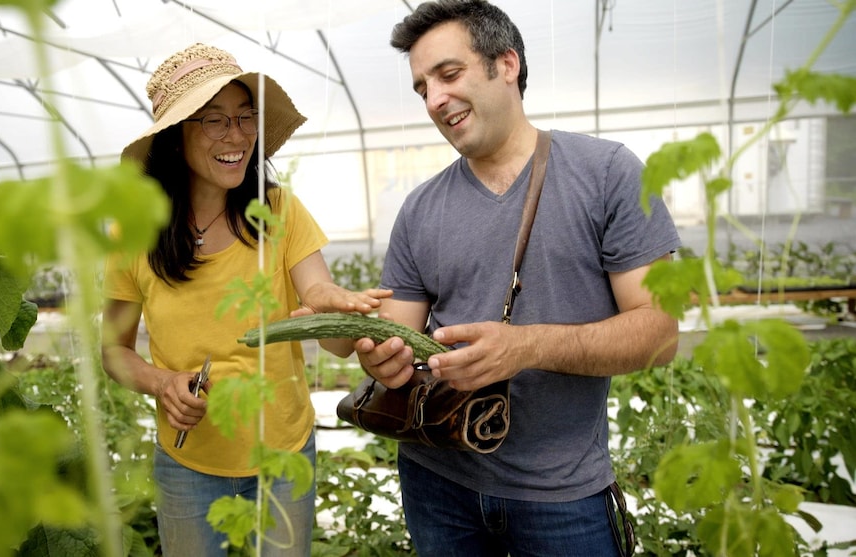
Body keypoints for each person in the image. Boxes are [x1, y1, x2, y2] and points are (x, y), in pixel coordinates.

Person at [353, 1, 681, 556]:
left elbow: (661, 333)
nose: (434, 100)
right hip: (437, 477)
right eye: (421, 88)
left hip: (561, 494)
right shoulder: (420, 208)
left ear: (506, 65)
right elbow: (397, 340)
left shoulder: (607, 175)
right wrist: (378, 357)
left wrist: (525, 346)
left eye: (449, 75)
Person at [101, 43, 389, 557]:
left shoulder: (278, 209)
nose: (236, 136)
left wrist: (328, 305)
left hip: (282, 454)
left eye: (244, 117)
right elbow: (114, 353)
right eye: (213, 121)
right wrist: (162, 382)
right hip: (187, 462)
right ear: (174, 137)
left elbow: (339, 341)